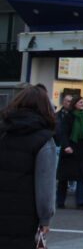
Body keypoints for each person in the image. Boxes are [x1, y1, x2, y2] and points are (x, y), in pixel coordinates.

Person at [0, 85, 57, 249]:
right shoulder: (43, 140)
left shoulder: (3, 132)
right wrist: (45, 219)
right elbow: (45, 186)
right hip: (23, 215)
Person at [56, 95, 83, 209]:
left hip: (82, 149)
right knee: (64, 178)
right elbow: (63, 132)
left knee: (81, 176)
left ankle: (81, 202)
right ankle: (60, 201)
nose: (82, 104)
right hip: (70, 149)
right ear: (75, 104)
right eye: (80, 102)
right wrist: (66, 146)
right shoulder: (69, 117)